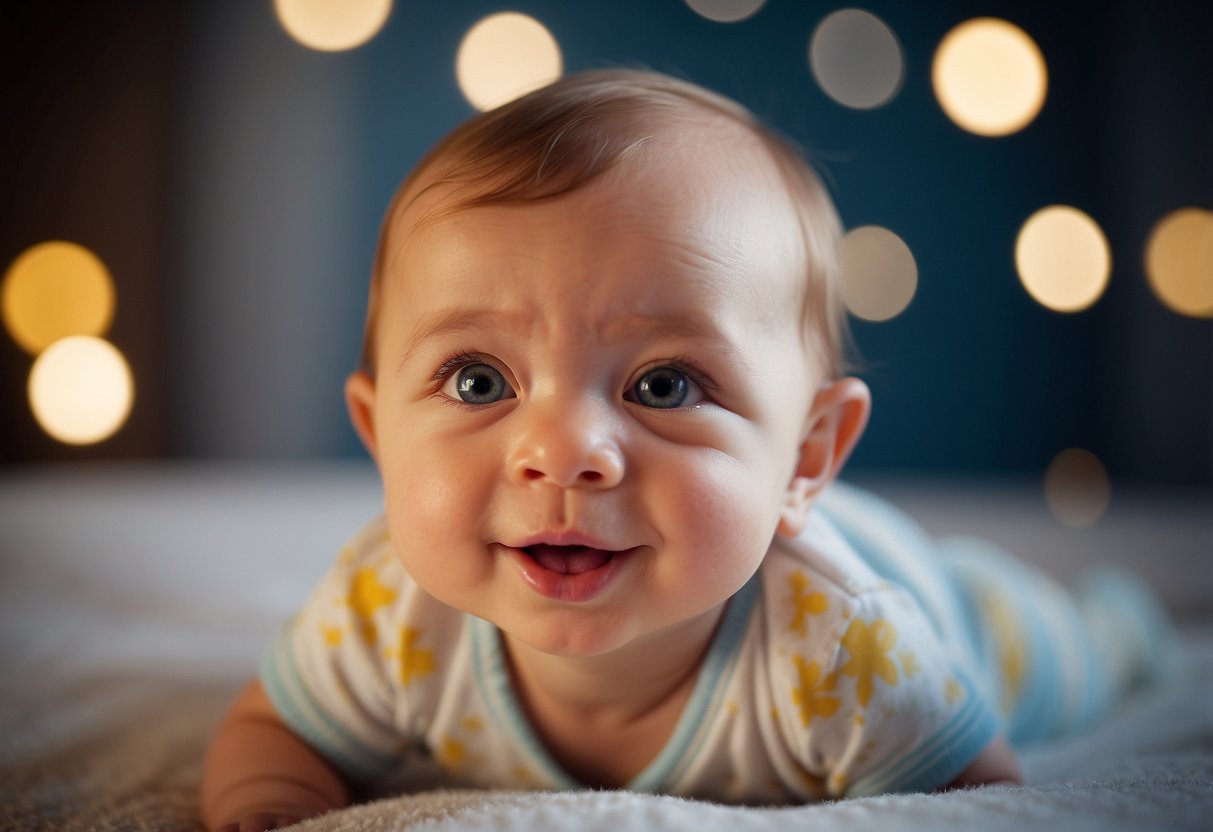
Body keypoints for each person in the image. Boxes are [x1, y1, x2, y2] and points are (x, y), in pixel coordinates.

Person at [200, 69, 1170, 832]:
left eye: (663, 386)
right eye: (478, 381)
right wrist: (271, 800)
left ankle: (1120, 617)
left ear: (805, 460)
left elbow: (980, 795)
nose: (564, 455)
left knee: (1070, 650)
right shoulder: (385, 618)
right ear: (378, 439)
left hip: (956, 607)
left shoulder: (845, 656)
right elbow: (271, 729)